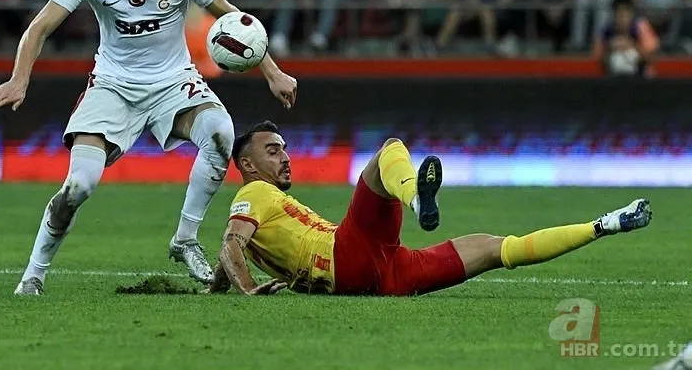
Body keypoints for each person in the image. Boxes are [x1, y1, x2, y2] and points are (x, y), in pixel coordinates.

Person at [0, 0, 298, 295]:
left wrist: (273, 72)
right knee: (79, 186)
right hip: (112, 86)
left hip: (173, 82)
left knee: (220, 132)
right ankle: (33, 275)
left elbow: (232, 17)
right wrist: (19, 79)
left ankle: (185, 239)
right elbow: (39, 27)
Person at [206, 122, 652, 296]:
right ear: (247, 165)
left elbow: (233, 250)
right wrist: (247, 289)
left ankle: (605, 224)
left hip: (384, 276)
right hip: (348, 254)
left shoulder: (257, 205)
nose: (285, 157)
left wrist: (218, 288)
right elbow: (231, 244)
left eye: (284, 149)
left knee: (496, 249)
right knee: (389, 150)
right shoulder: (256, 192)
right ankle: (416, 197)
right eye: (272, 151)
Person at [593, 0, 660, 77]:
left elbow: (651, 57)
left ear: (631, 13)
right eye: (618, 13)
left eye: (625, 14)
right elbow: (597, 58)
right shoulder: (606, 30)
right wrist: (610, 48)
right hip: (613, 76)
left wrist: (631, 45)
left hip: (641, 76)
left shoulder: (641, 27)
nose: (622, 18)